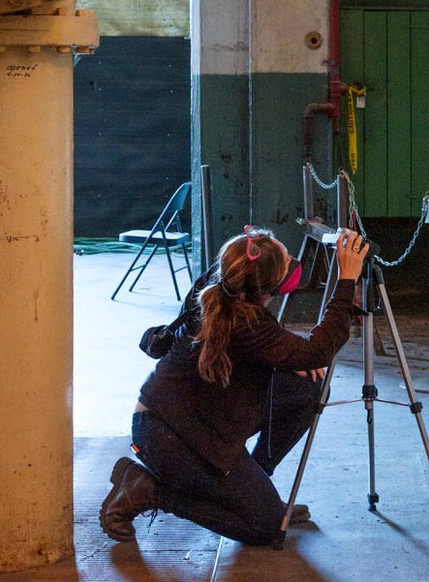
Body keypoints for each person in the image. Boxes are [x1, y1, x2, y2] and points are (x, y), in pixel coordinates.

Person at [99, 223, 369, 545]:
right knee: (266, 529)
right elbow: (317, 351)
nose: (293, 260)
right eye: (287, 259)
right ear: (270, 283)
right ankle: (148, 491)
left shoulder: (224, 297)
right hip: (166, 436)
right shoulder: (247, 322)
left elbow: (283, 351)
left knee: (307, 389)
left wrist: (287, 357)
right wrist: (347, 278)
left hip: (200, 421)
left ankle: (250, 488)